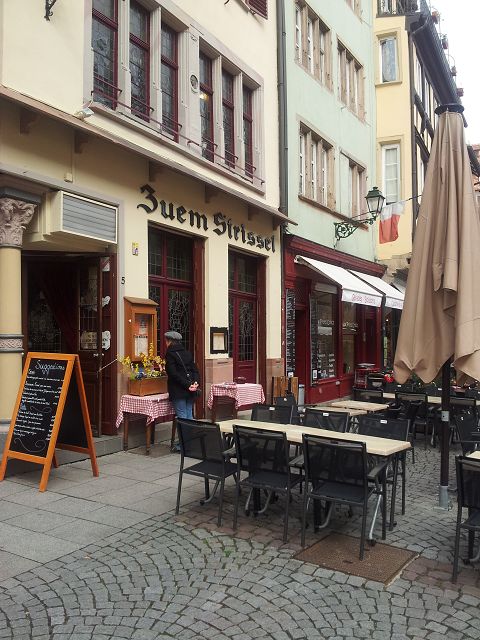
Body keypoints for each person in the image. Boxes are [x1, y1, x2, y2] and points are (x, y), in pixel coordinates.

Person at [164, 330, 200, 420]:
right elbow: (195, 370)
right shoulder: (187, 353)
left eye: (166, 341)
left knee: (182, 417)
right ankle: (190, 430)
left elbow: (173, 373)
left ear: (169, 341)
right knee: (189, 414)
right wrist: (195, 383)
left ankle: (185, 430)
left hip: (178, 390)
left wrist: (187, 385)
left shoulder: (170, 354)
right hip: (191, 389)